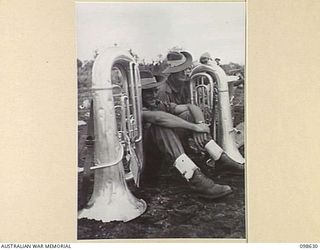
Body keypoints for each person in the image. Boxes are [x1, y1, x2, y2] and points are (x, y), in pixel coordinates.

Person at [140, 70, 243, 200]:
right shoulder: (134, 109)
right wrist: (195, 127)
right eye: (148, 92)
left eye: (155, 90)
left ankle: (220, 158)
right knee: (160, 127)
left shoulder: (157, 104)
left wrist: (199, 124)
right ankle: (194, 179)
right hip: (146, 166)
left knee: (188, 115)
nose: (154, 95)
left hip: (163, 155)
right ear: (138, 93)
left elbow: (190, 107)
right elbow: (158, 118)